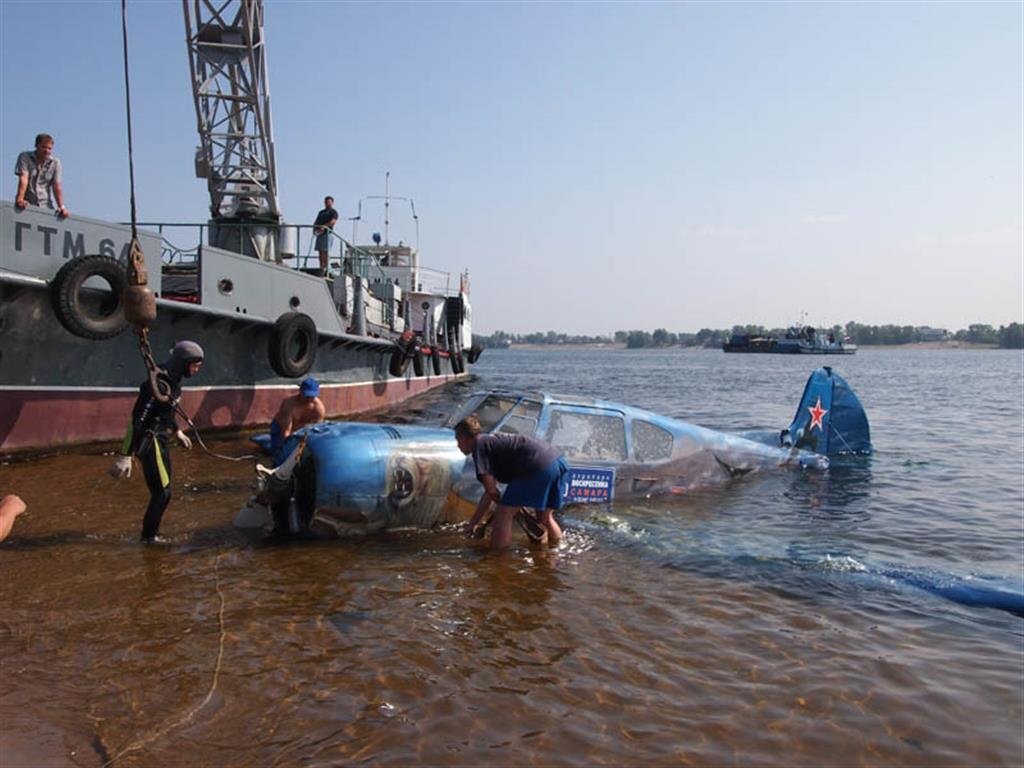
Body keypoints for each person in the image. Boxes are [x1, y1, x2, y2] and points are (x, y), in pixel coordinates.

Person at [109, 341, 204, 542]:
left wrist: (177, 431)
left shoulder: (175, 380)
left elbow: (167, 409)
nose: (197, 369)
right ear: (183, 362)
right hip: (150, 440)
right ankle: (149, 539)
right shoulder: (158, 384)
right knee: (162, 494)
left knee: (164, 490)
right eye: (195, 365)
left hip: (162, 439)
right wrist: (125, 455)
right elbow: (138, 419)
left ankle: (150, 535)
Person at [454, 415, 566, 550]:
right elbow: (490, 492)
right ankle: (557, 552)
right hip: (556, 461)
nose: (457, 445)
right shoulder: (491, 442)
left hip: (537, 465)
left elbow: (492, 491)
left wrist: (510, 507)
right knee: (544, 517)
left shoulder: (480, 446)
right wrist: (474, 523)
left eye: (457, 440)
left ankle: (499, 559)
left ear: (464, 438)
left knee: (504, 513)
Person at [269, 377, 326, 465]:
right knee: (278, 456)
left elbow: (318, 432)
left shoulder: (319, 409)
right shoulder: (289, 405)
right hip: (280, 428)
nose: (309, 399)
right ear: (300, 392)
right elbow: (286, 431)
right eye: (306, 395)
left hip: (300, 430)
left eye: (312, 396)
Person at [14, 133, 68, 216]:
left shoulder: (55, 163)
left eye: (49, 148)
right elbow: (23, 178)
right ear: (36, 145)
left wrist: (62, 207)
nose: (46, 150)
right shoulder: (25, 157)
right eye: (44, 147)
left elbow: (57, 186)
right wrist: (20, 199)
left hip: (46, 206)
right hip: (27, 205)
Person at [312, 196, 338, 275]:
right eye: (326, 202)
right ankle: (321, 267)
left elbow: (333, 221)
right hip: (320, 234)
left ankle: (325, 268)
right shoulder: (321, 212)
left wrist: (324, 226)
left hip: (327, 234)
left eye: (329, 202)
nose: (327, 203)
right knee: (320, 251)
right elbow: (316, 221)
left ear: (332, 203)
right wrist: (314, 228)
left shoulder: (333, 212)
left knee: (325, 252)